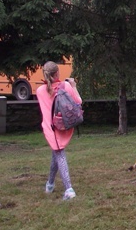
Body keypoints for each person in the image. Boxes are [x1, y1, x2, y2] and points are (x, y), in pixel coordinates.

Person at [37, 61, 82, 200]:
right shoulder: (66, 86)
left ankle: (68, 190)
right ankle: (51, 184)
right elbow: (78, 101)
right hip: (63, 126)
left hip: (50, 129)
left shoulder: (40, 91)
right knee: (56, 154)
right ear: (57, 73)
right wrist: (73, 86)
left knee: (58, 153)